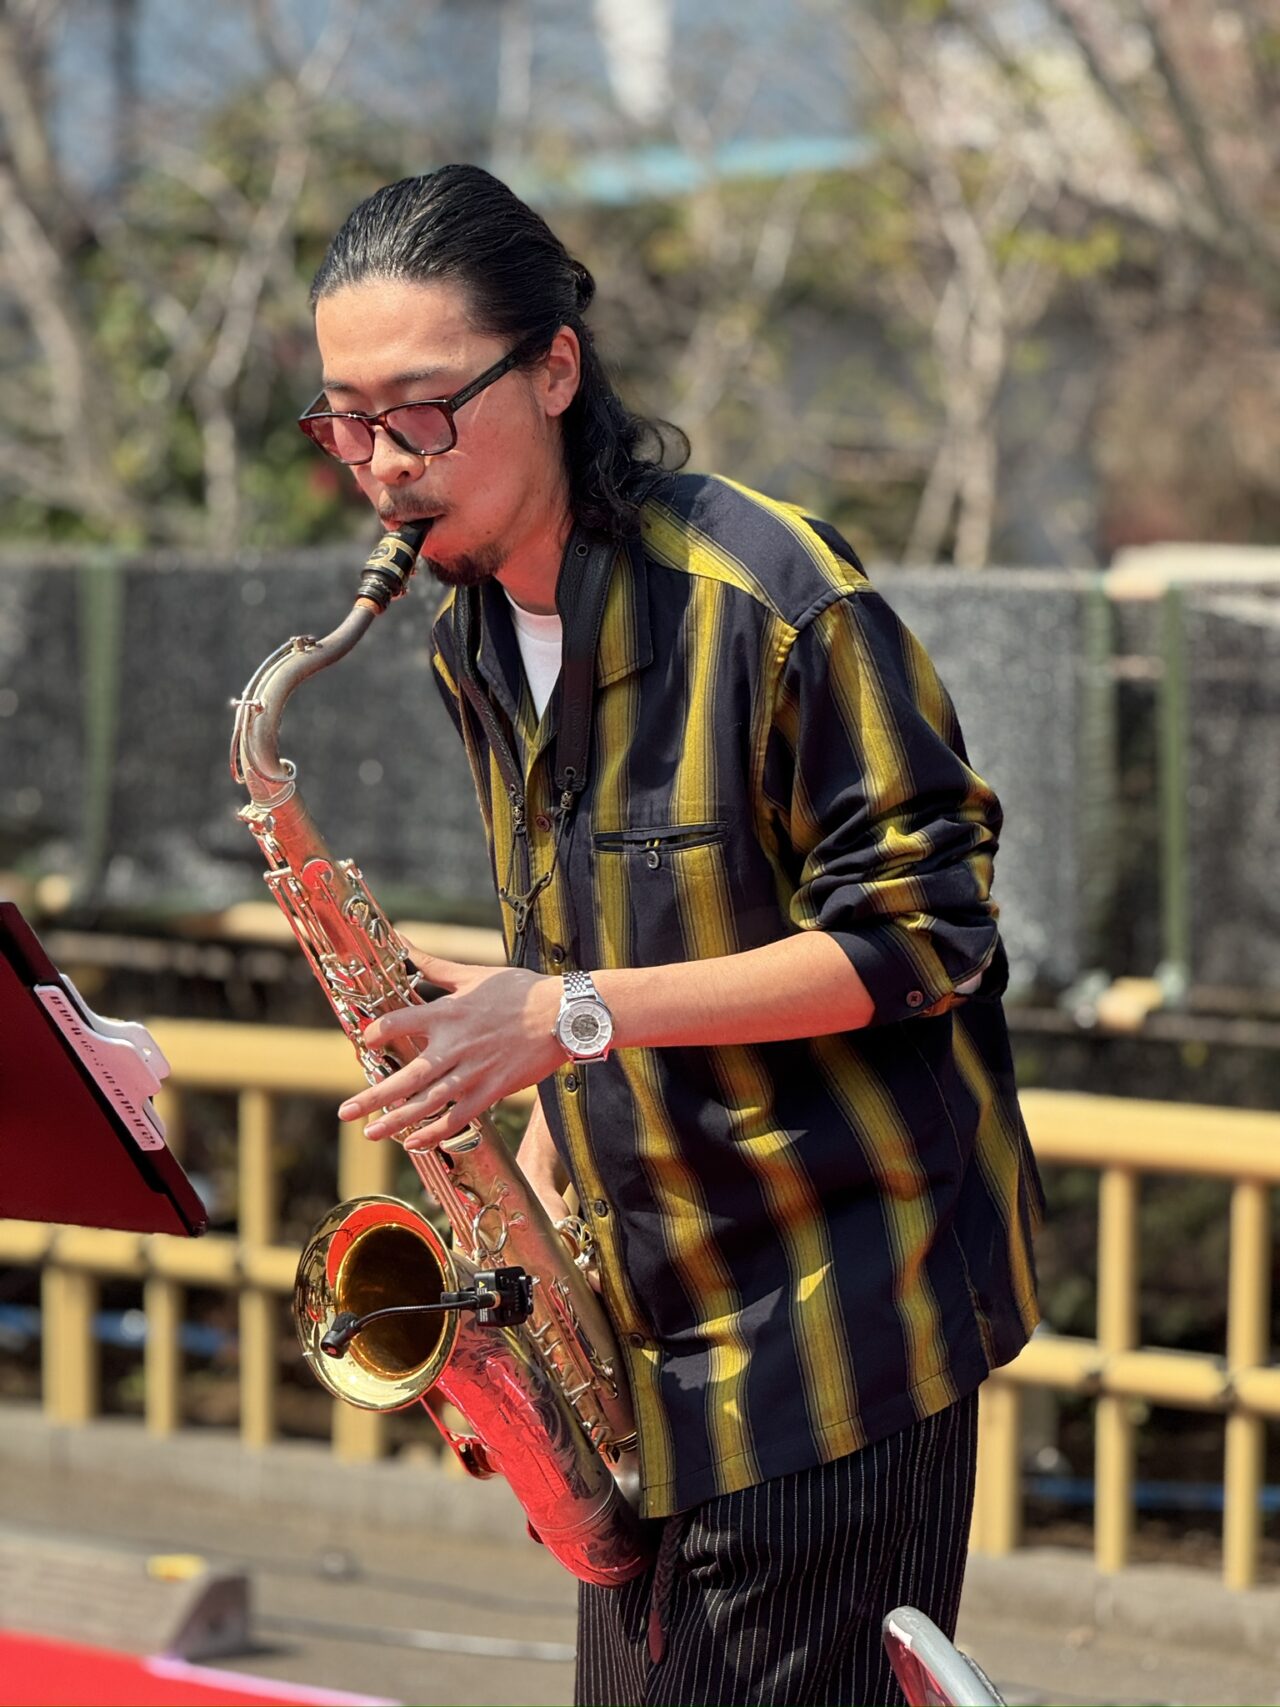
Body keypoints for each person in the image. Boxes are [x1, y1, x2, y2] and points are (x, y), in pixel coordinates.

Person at [311, 163, 1042, 1707]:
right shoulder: (466, 638)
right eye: (347, 424)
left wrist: (562, 1015)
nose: (384, 468)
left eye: (423, 412)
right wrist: (514, 1267)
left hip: (840, 1328)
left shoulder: (775, 601)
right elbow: (581, 959)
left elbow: (931, 938)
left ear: (556, 369)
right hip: (647, 1345)